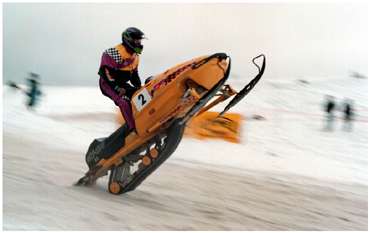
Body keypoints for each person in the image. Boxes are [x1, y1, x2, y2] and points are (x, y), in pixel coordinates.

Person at [98, 27, 145, 132]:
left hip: (121, 83)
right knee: (124, 101)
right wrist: (117, 87)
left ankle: (143, 120)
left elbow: (134, 75)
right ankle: (132, 130)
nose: (139, 43)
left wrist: (140, 88)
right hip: (107, 84)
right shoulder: (114, 53)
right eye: (137, 40)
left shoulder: (136, 56)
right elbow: (105, 73)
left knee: (139, 95)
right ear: (129, 40)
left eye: (140, 40)